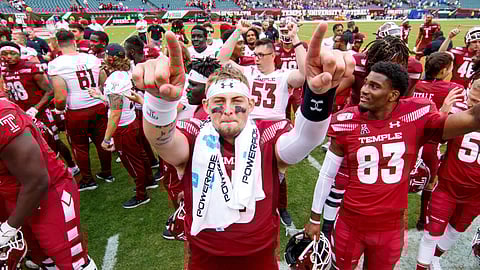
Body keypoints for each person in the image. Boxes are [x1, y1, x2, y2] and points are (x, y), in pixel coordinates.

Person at [132, 22, 353, 270]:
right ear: (205, 105)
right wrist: (159, 103)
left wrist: (319, 97)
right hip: (205, 256)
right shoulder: (194, 134)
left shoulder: (267, 136)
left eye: (236, 101)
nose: (227, 109)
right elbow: (162, 142)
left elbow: (306, 140)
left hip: (258, 256)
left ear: (250, 104)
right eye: (219, 101)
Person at [306, 60, 480, 270]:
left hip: (390, 226)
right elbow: (327, 174)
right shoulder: (346, 120)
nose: (365, 90)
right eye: (366, 83)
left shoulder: (417, 114)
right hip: (351, 221)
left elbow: (472, 117)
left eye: (374, 86)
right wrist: (315, 217)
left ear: (394, 95)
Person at [0, 98, 98, 269]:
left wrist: (9, 228)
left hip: (48, 194)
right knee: (43, 260)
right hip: (12, 195)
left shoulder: (3, 116)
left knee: (72, 264)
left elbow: (37, 180)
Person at [416, 78, 480, 270]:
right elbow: (432, 137)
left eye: (476, 103)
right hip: (448, 185)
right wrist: (443, 111)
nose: (470, 105)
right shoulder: (458, 110)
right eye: (471, 99)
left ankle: (434, 258)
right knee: (431, 233)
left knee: (455, 231)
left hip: (476, 193)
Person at [88, 43, 156, 209]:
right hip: (132, 120)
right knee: (140, 155)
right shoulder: (124, 72)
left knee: (132, 162)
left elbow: (116, 113)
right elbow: (120, 102)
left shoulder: (114, 80)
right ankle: (149, 181)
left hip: (124, 127)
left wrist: (106, 138)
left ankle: (141, 195)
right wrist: (101, 97)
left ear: (110, 58)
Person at [0, 41, 79, 176]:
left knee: (53, 141)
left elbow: (50, 91)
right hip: (21, 113)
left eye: (12, 53)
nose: (8, 57)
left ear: (19, 53)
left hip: (40, 112)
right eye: (4, 54)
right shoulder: (4, 70)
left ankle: (71, 165)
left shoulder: (31, 68)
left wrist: (35, 109)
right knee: (31, 143)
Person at [48, 30, 113, 191]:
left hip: (77, 110)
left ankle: (88, 180)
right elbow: (104, 82)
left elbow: (61, 97)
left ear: (57, 43)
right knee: (102, 141)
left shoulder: (56, 64)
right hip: (98, 105)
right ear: (74, 42)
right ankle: (107, 173)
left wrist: (58, 110)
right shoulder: (91, 59)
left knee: (80, 146)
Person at [413, 52, 465, 230]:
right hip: (432, 144)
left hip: (411, 139)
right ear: (443, 71)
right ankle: (422, 219)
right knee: (429, 183)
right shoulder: (454, 88)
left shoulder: (416, 85)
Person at [219, 20, 306, 121]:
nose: (256, 58)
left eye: (261, 55)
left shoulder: (284, 75)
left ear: (273, 55)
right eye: (255, 55)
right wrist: (238, 31)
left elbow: (303, 75)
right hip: (251, 122)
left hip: (274, 122)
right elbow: (222, 61)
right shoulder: (248, 72)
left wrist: (294, 37)